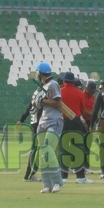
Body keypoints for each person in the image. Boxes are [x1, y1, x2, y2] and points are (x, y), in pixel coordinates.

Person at [34, 62, 64, 193]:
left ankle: (58, 182)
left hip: (54, 120)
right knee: (42, 153)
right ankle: (47, 184)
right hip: (43, 121)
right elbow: (38, 105)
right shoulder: (43, 86)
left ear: (40, 73)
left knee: (48, 151)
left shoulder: (53, 84)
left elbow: (58, 102)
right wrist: (36, 101)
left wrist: (43, 100)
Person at [60, 72, 93, 183]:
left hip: (63, 122)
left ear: (64, 81)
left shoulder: (60, 92)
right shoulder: (79, 93)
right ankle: (80, 177)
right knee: (78, 149)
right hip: (76, 121)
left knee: (64, 149)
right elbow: (83, 111)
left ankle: (63, 176)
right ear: (73, 82)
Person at [17, 84, 45, 181]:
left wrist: (22, 119)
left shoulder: (36, 91)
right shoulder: (43, 92)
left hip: (35, 122)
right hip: (39, 123)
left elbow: (30, 106)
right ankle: (29, 175)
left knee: (36, 149)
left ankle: (30, 174)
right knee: (37, 149)